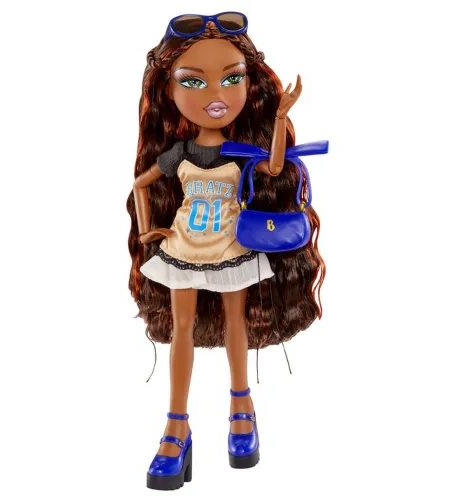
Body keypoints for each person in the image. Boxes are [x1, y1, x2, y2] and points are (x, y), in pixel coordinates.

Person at [126, 12, 325, 490]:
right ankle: (177, 425)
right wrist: (148, 231)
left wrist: (280, 116)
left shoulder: (240, 151)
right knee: (182, 330)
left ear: (248, 85)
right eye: (194, 81)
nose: (216, 95)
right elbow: (140, 183)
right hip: (183, 247)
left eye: (231, 79)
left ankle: (242, 405)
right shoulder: (179, 152)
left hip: (232, 245)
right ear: (168, 90)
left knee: (238, 321)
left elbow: (274, 166)